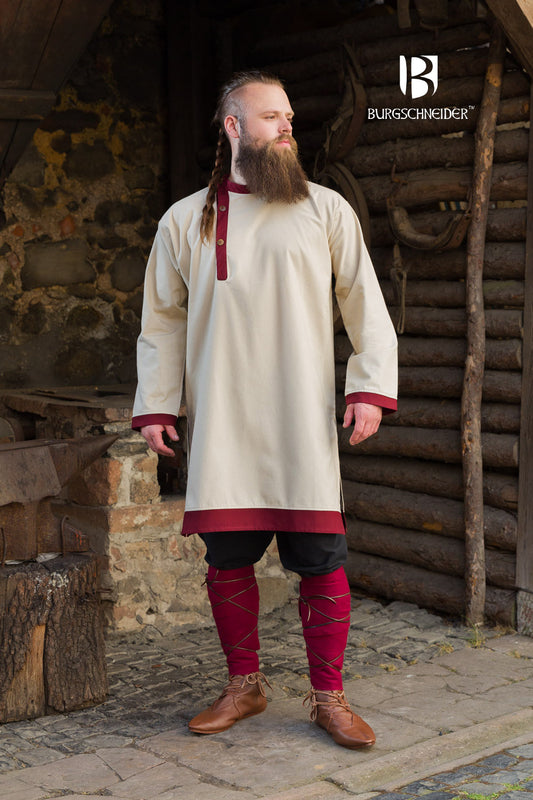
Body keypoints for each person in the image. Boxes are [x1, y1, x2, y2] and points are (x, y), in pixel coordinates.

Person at [132, 71, 397, 750]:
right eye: (272, 116)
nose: (287, 126)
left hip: (300, 420)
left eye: (288, 117)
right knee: (228, 559)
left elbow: (363, 302)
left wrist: (367, 386)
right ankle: (244, 686)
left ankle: (329, 698)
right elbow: (161, 321)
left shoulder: (325, 210)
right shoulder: (185, 220)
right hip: (223, 420)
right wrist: (157, 405)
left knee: (321, 559)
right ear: (233, 126)